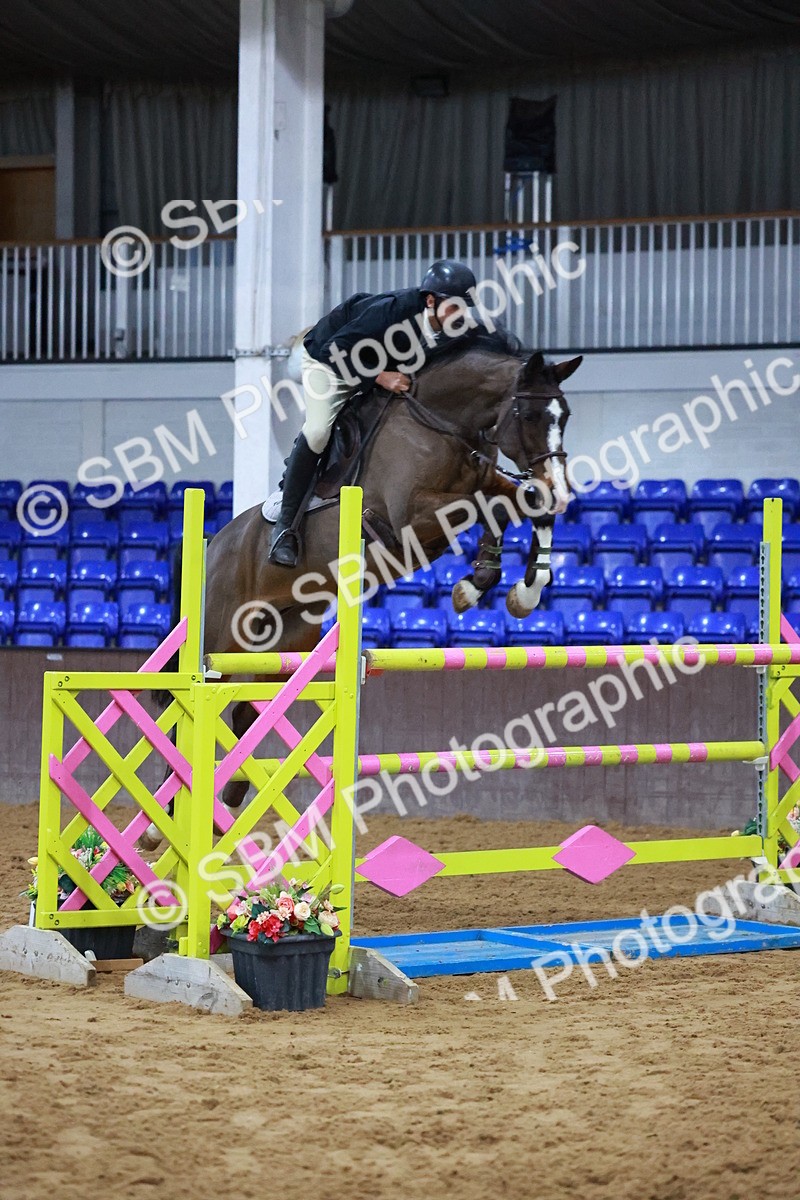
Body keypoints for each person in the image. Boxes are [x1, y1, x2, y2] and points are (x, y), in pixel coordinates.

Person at [268, 259, 478, 567]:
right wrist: (381, 377)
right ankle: (285, 527)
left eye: (464, 308)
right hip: (329, 362)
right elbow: (338, 351)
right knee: (317, 431)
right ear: (431, 301)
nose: (459, 316)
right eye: (454, 308)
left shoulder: (448, 331)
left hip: (372, 365)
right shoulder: (392, 311)